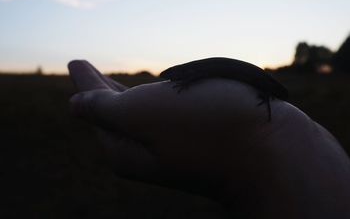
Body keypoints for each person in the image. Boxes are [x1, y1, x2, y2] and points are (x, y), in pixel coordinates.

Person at [68, 60, 350, 219]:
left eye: (172, 77)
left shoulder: (260, 90)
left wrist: (272, 132)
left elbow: (204, 74)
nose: (169, 78)